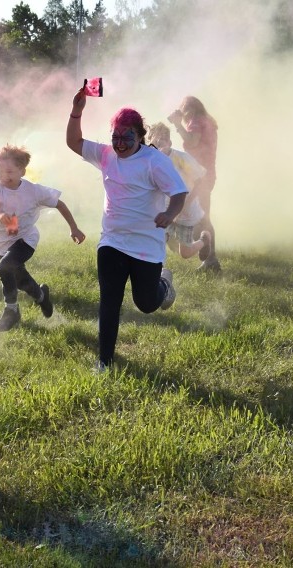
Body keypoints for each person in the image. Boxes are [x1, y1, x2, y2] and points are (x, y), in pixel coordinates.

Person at [66, 89, 188, 371]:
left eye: (126, 138)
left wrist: (169, 214)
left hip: (146, 244)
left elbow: (179, 193)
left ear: (139, 136)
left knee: (145, 303)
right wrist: (77, 111)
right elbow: (74, 141)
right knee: (109, 299)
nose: (120, 144)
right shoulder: (106, 155)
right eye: (115, 137)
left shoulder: (154, 162)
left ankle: (164, 284)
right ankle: (104, 362)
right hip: (112, 241)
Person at [0, 145, 85, 331]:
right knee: (21, 280)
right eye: (0, 170)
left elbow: (60, 204)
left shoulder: (33, 191)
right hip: (2, 244)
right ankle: (42, 296)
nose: (4, 175)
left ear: (22, 171)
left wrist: (74, 228)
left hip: (25, 240)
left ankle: (11, 311)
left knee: (5, 267)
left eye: (9, 171)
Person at [168, 96, 219, 271]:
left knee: (202, 217)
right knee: (200, 215)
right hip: (206, 174)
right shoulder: (207, 121)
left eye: (183, 111)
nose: (182, 115)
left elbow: (192, 141)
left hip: (200, 177)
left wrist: (177, 124)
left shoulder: (196, 121)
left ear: (189, 109)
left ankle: (210, 258)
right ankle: (208, 255)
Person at [148, 122, 212, 261]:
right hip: (165, 209)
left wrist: (186, 204)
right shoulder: (149, 159)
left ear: (170, 142)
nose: (159, 143)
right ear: (149, 143)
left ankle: (204, 240)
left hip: (185, 211)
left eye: (163, 139)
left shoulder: (180, 158)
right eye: (155, 141)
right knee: (158, 239)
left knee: (185, 253)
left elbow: (200, 180)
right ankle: (157, 273)